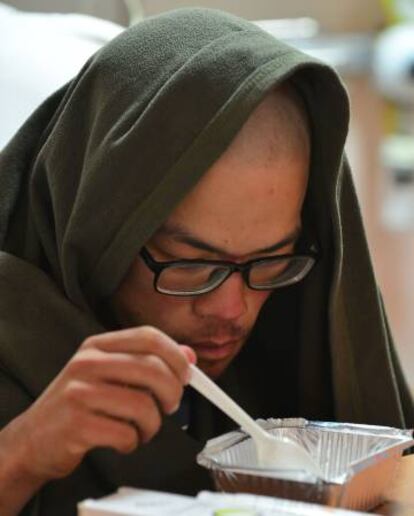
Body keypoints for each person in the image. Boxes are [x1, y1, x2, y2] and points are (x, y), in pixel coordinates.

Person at [0, 7, 412, 516]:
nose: (231, 310)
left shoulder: (300, 322)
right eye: (192, 265)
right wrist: (19, 456)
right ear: (97, 226)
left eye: (270, 261)